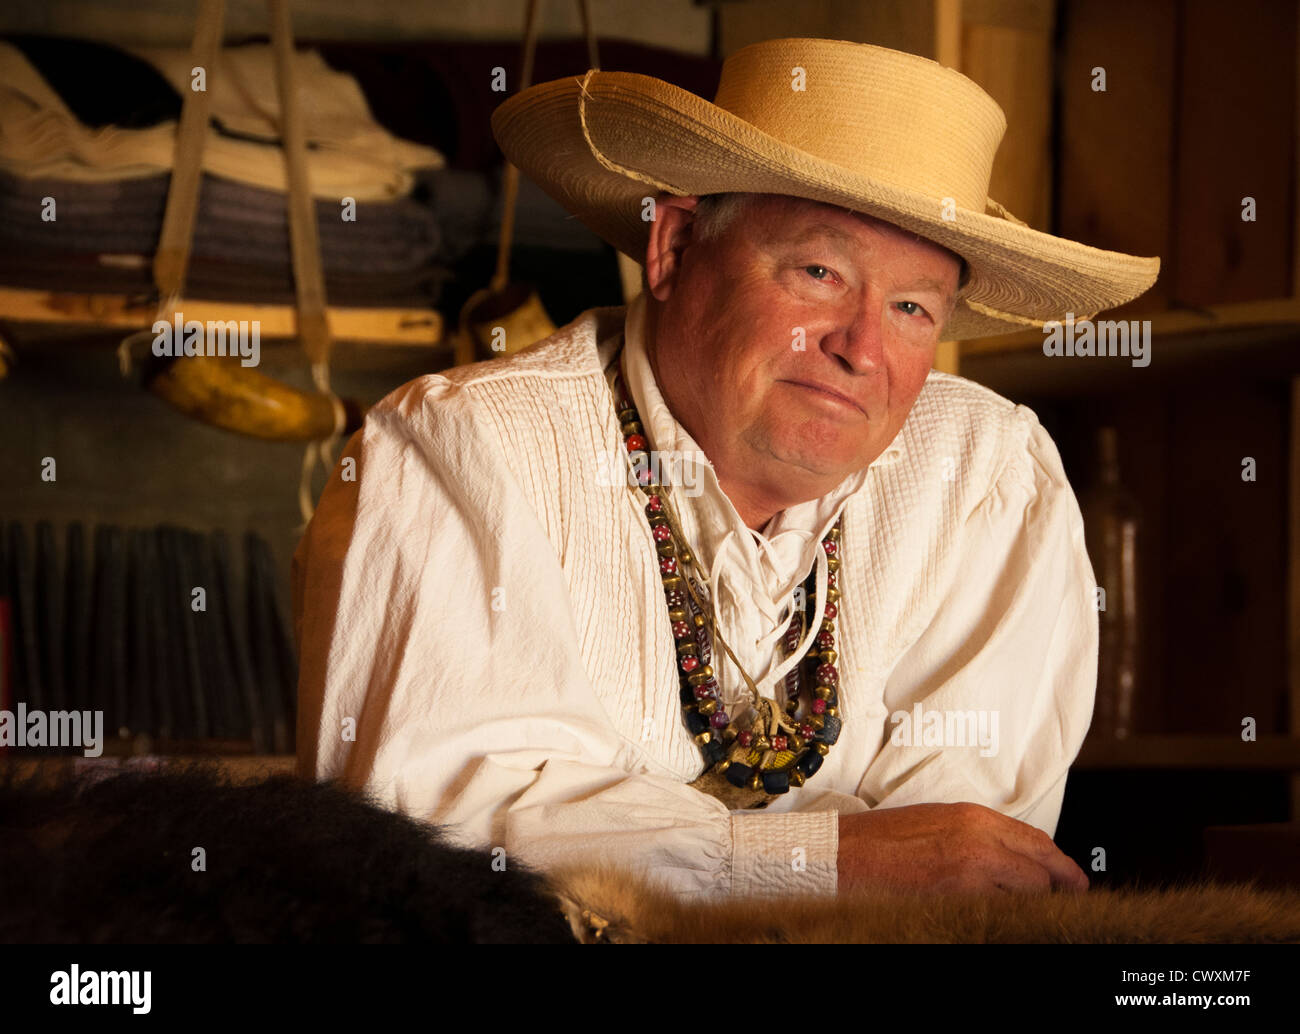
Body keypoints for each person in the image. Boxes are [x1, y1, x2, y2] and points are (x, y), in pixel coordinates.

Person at [293, 38, 1160, 900]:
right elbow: (448, 854)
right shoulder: (463, 450)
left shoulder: (983, 477)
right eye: (819, 272)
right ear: (671, 247)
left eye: (910, 308)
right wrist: (832, 861)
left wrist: (630, 836)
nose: (863, 349)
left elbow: (962, 870)